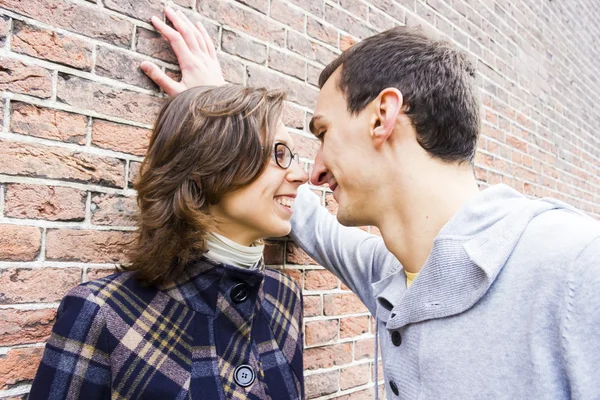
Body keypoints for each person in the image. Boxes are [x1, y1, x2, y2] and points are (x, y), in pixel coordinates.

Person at [145, 8, 600, 400]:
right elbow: (309, 221)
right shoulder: (393, 274)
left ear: (382, 116)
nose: (316, 170)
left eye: (322, 133)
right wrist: (226, 121)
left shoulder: (577, 266)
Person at [28, 82, 309, 398]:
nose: (301, 174)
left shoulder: (285, 297)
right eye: (279, 153)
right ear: (208, 165)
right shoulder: (102, 313)